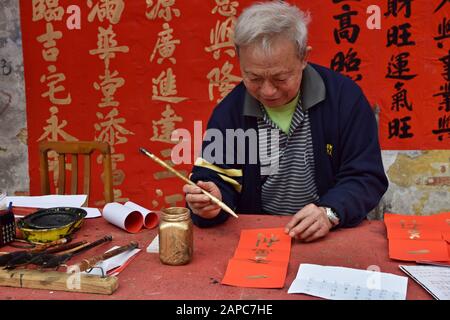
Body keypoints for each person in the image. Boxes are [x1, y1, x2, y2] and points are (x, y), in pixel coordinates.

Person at [183, 1, 388, 242]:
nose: (268, 91)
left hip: (332, 232)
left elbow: (366, 176)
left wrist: (330, 212)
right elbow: (217, 178)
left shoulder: (344, 99)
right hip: (261, 237)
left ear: (304, 58)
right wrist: (212, 201)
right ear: (239, 59)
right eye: (254, 78)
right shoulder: (231, 113)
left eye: (280, 78)